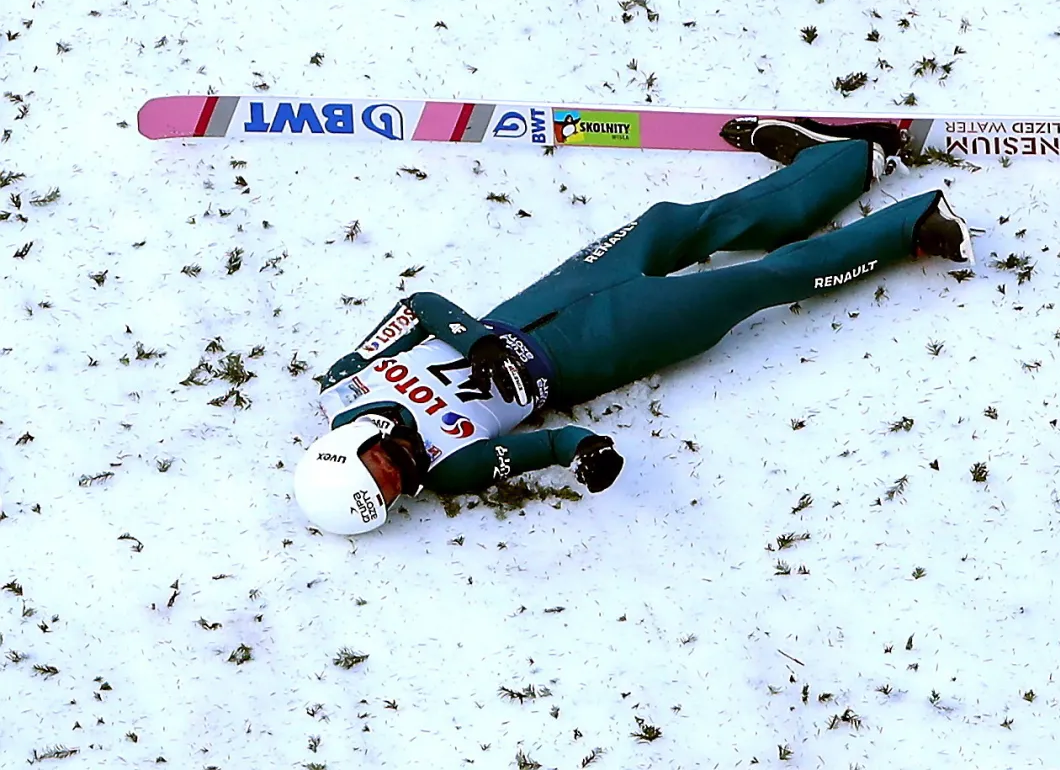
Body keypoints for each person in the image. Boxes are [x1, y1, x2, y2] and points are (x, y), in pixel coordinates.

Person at [293, 119, 975, 534]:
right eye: (388, 492)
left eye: (379, 467)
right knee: (747, 286)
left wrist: (477, 340)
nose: (399, 470)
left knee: (675, 225)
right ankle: (910, 228)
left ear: (350, 444)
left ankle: (836, 159)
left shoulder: (343, 385)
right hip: (593, 348)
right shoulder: (447, 470)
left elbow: (418, 308)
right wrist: (589, 454)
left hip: (542, 300)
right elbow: (551, 447)